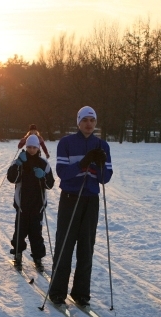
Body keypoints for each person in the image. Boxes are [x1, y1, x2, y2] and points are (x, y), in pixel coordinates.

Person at [48, 106, 112, 306]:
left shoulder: (102, 145)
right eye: (85, 120)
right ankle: (58, 290)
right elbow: (63, 172)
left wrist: (99, 164)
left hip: (90, 200)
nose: (89, 124)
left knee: (86, 246)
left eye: (92, 120)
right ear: (78, 122)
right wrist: (84, 163)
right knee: (65, 244)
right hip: (70, 198)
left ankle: (81, 292)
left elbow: (106, 178)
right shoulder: (66, 143)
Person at [7, 134, 55, 271]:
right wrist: (18, 164)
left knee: (36, 233)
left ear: (38, 148)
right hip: (22, 204)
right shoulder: (20, 161)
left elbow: (50, 184)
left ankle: (38, 257)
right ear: (26, 147)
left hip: (37, 205)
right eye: (29, 147)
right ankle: (18, 254)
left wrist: (43, 176)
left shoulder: (43, 163)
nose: (31, 150)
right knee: (20, 231)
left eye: (34, 147)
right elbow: (12, 178)